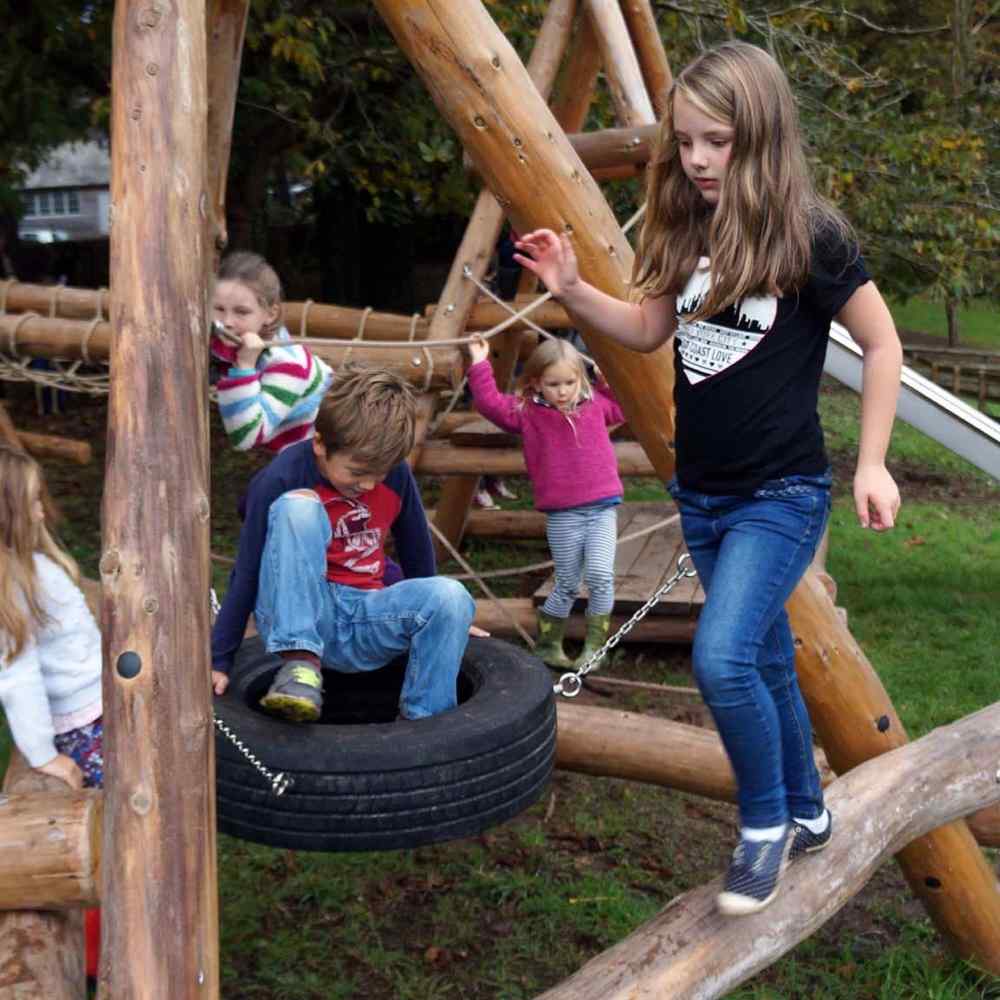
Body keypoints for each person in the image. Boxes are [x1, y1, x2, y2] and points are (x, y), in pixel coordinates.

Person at [511, 41, 902, 916]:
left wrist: (872, 462)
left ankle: (761, 828)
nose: (695, 159)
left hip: (783, 496)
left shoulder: (811, 236)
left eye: (716, 141)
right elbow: (646, 330)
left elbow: (884, 344)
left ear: (759, 137)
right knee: (762, 660)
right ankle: (806, 811)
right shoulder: (687, 228)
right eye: (685, 141)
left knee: (721, 657)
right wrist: (572, 288)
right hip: (704, 496)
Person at [210, 365, 477, 723]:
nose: (368, 485)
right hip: (299, 610)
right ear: (320, 444)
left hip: (362, 614)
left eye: (378, 474)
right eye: (357, 472)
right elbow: (247, 571)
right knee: (299, 507)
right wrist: (219, 659)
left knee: (452, 595)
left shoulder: (396, 475)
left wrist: (443, 616)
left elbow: (416, 549)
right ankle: (301, 667)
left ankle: (424, 724)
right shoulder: (283, 476)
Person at [467, 335, 624, 670]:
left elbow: (622, 405)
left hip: (601, 509)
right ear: (537, 381)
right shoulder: (527, 412)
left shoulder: (596, 403)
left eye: (570, 382)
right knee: (566, 581)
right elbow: (489, 403)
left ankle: (596, 647)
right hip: (563, 512)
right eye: (554, 384)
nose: (563, 391)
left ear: (581, 378)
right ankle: (549, 644)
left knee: (599, 575)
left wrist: (608, 381)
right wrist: (480, 362)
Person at [0, 444, 103, 789]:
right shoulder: (9, 584)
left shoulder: (30, 564)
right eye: (32, 502)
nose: (41, 513)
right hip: (84, 729)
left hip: (100, 705)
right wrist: (43, 753)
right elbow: (16, 674)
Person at [211, 251, 333, 453]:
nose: (227, 322)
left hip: (325, 457)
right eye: (219, 309)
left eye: (241, 312)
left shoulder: (287, 364)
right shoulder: (233, 336)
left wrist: (244, 367)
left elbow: (246, 437)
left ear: (270, 314)